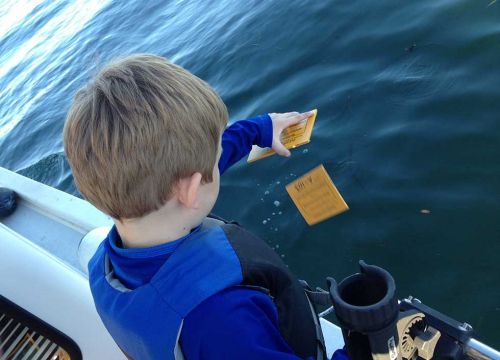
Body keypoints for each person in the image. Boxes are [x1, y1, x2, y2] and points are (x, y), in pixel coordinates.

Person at [64, 54, 343, 359]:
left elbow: (191, 169)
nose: (219, 158)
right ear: (191, 190)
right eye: (216, 154)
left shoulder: (108, 266)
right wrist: (379, 340)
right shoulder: (222, 321)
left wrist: (260, 129)